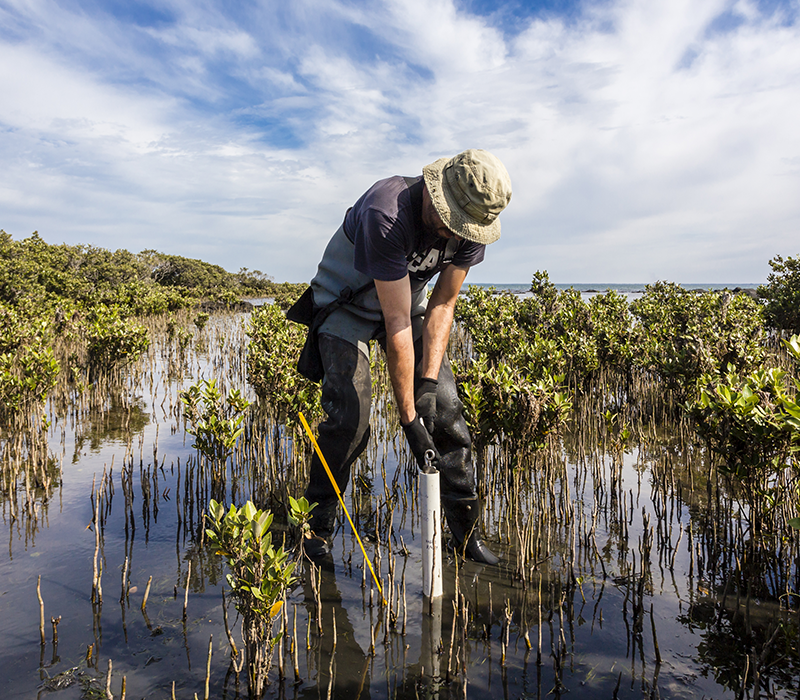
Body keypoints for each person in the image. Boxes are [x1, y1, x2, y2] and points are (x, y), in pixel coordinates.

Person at [292, 149, 512, 564]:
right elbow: (394, 326)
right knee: (349, 420)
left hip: (405, 307)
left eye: (462, 226)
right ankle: (314, 529)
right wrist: (409, 420)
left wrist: (427, 385)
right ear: (435, 189)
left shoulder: (471, 230)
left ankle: (465, 536)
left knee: (447, 411)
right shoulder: (386, 210)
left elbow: (443, 304)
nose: (452, 233)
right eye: (450, 219)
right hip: (346, 308)